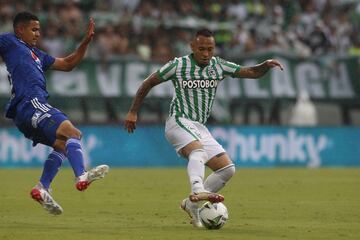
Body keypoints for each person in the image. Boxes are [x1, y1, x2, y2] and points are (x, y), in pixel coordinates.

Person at [124, 28, 283, 227]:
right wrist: (133, 111)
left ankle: (191, 205)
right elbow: (148, 83)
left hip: (199, 127)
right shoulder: (178, 65)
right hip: (178, 121)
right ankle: (198, 190)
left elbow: (251, 72)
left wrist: (265, 65)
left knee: (227, 169)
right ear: (192, 47)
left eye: (210, 49)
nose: (206, 54)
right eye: (201, 49)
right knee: (197, 150)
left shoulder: (219, 66)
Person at [0, 12, 109, 215]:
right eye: (33, 29)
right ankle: (81, 176)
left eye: (39, 29)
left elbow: (68, 64)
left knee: (63, 144)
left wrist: (85, 43)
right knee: (73, 133)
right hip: (30, 103)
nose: (38, 34)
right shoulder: (9, 41)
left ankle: (42, 187)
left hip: (25, 113)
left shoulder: (37, 54)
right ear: (19, 30)